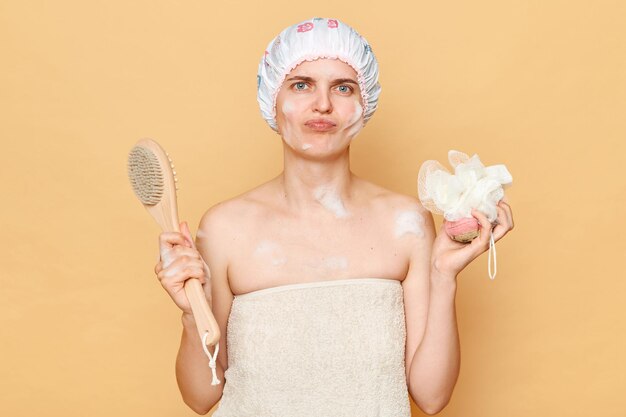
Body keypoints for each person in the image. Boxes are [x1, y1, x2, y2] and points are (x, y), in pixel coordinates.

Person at [154, 17, 514, 416]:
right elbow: (200, 398)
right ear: (273, 99)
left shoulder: (406, 223)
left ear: (364, 104)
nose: (322, 104)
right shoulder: (224, 228)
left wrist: (444, 276)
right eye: (301, 84)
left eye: (343, 88)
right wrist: (192, 316)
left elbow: (431, 397)